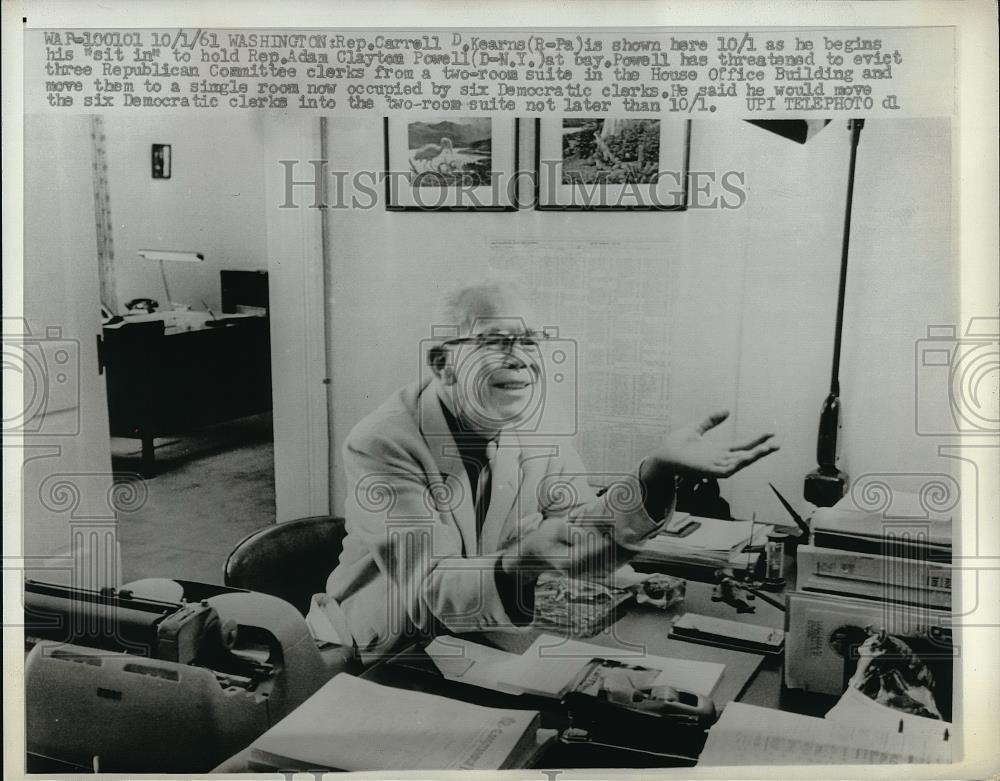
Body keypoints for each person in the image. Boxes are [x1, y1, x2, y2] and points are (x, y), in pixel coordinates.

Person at [320, 280, 778, 662]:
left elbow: (584, 533)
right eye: (495, 341)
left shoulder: (540, 420)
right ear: (443, 365)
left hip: (486, 637)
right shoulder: (382, 442)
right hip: (390, 649)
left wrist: (655, 475)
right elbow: (431, 588)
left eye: (530, 340)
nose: (520, 357)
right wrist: (522, 562)